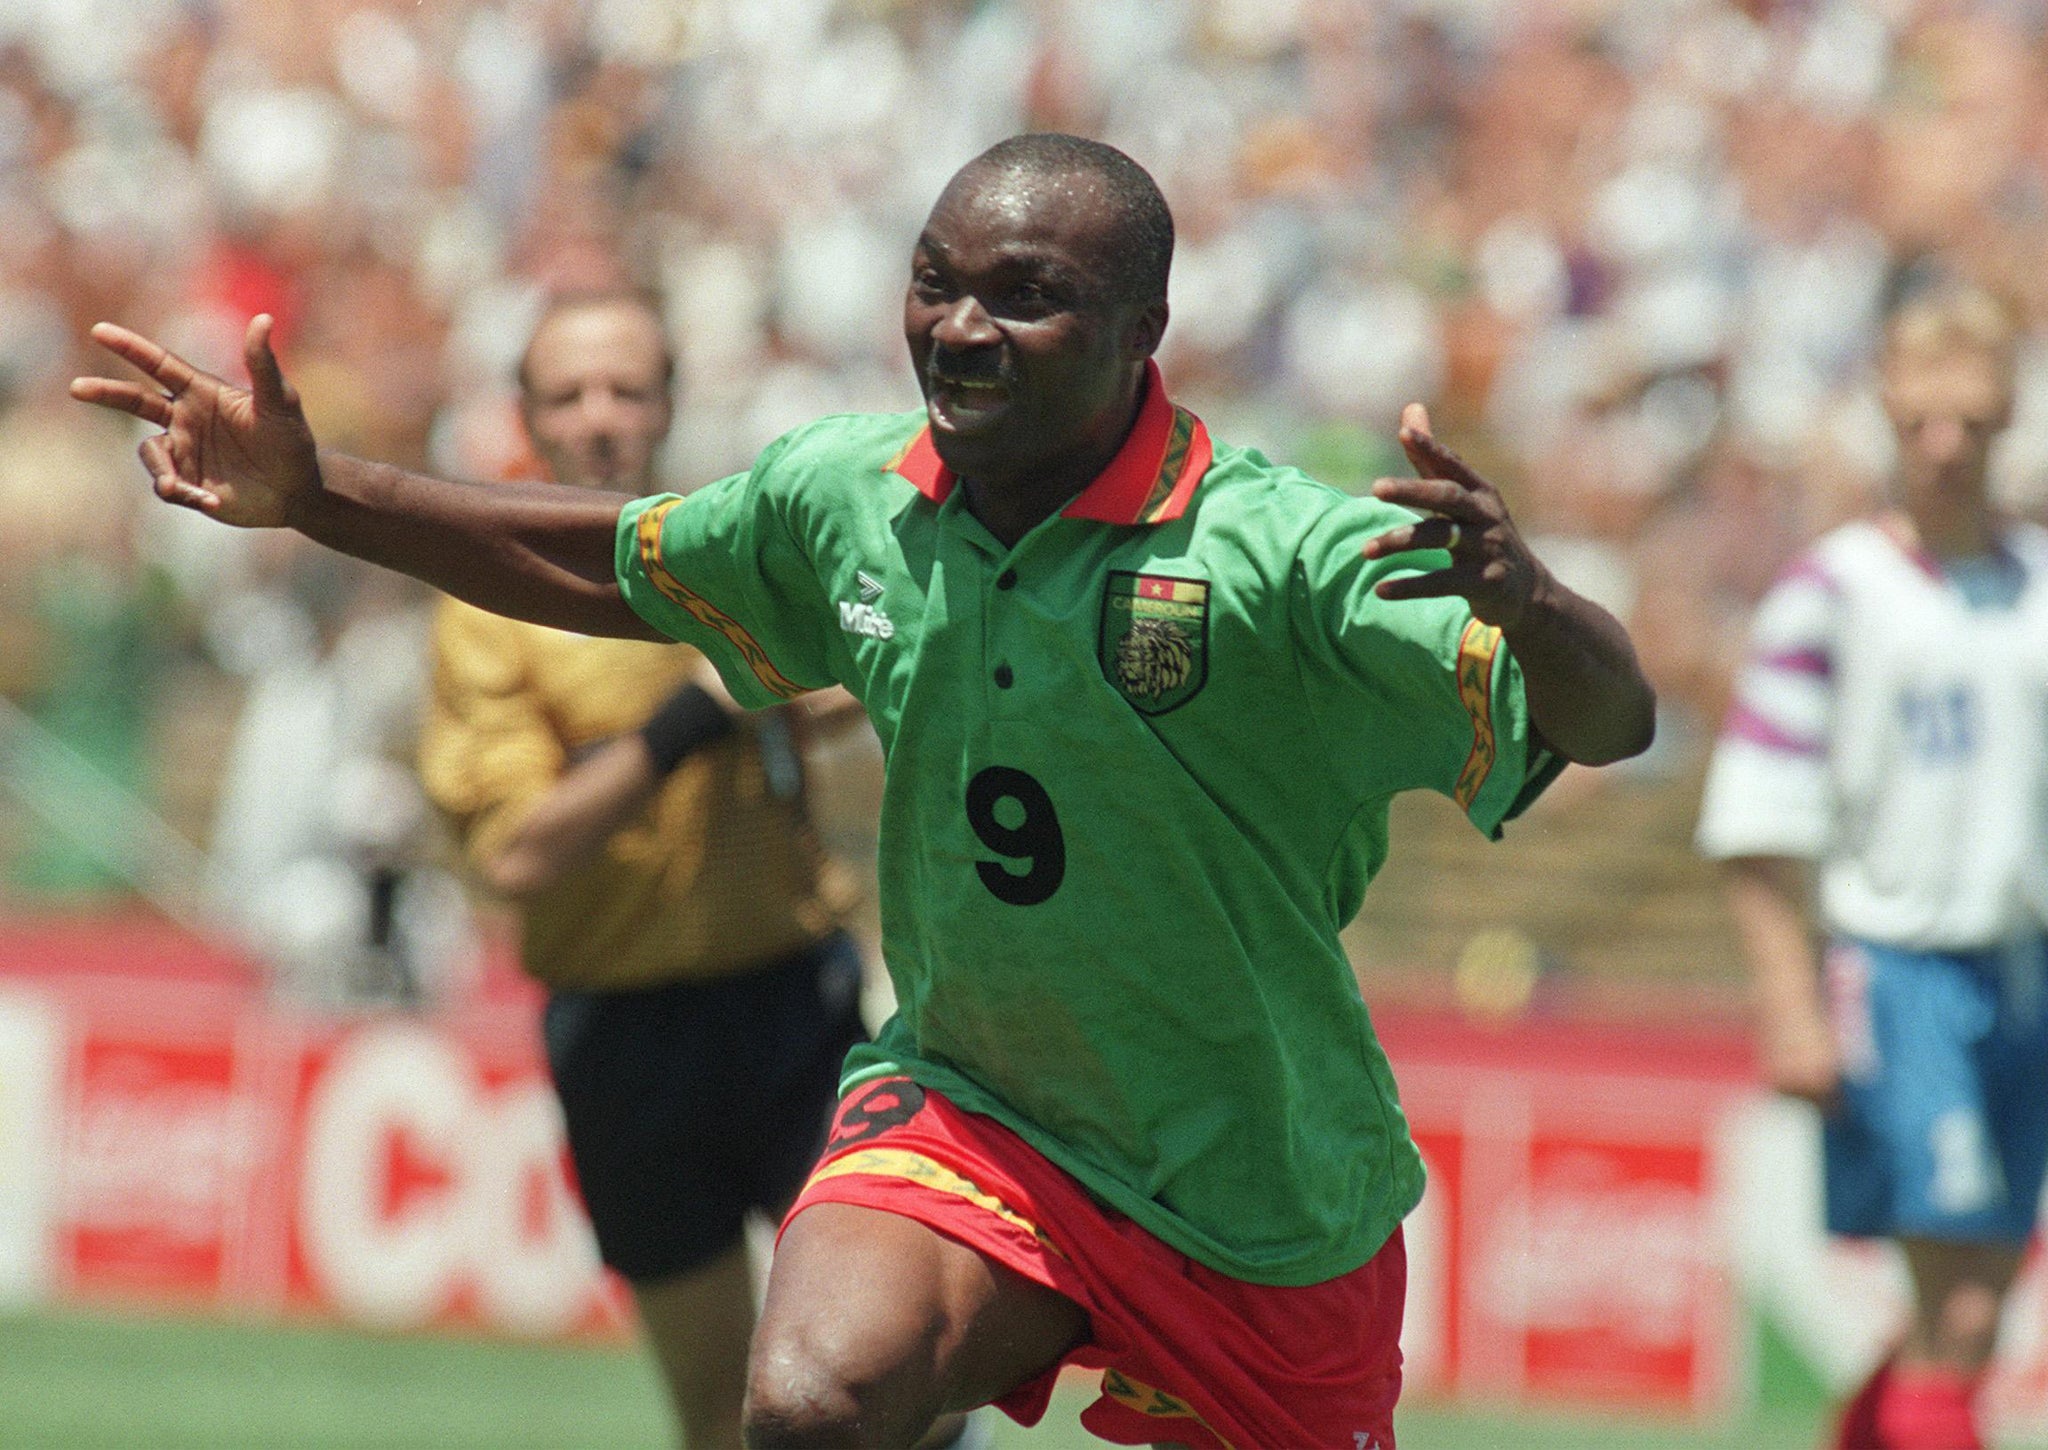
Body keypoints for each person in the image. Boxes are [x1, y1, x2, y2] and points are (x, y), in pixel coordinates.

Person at [73, 133, 1655, 1450]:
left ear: (1143, 324)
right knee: (813, 1398)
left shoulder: (1280, 555)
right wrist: (313, 495)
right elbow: (603, 559)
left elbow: (1608, 716)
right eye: (936, 282)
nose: (961, 327)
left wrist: (1539, 606)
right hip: (986, 1113)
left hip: (1263, 1194)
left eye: (1027, 297)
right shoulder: (849, 501)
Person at [414, 288, 870, 1450]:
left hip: (796, 1006)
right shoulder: (490, 610)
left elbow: (845, 686)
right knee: (716, 1408)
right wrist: (692, 720)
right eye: (569, 394)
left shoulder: (731, 549)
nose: (602, 417)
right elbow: (516, 848)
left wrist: (774, 691)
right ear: (526, 415)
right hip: (623, 1034)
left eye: (627, 388)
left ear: (669, 403)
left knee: (875, 1368)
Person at [1696, 279, 2048, 1450]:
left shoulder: (2038, 587)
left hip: (2018, 974)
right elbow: (1757, 816)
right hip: (1895, 973)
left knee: (1969, 1312)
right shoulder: (1829, 592)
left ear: (2007, 419)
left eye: (1972, 422)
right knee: (1954, 1303)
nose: (1946, 448)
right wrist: (1788, 1001)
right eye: (1921, 424)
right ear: (1888, 416)